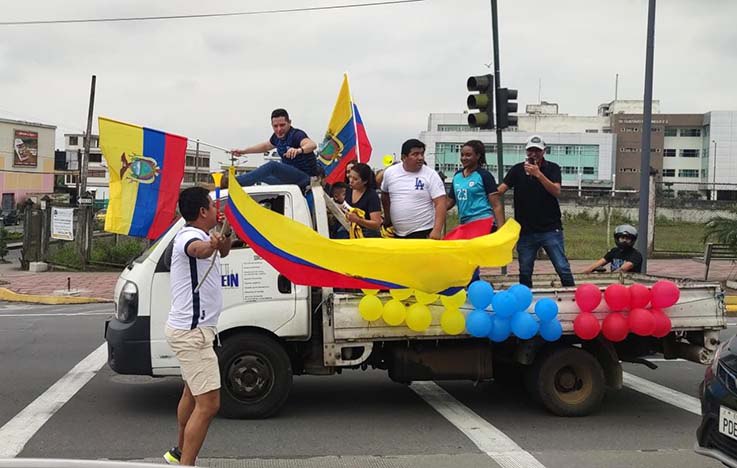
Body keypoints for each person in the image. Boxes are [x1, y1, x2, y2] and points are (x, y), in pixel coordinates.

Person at [163, 187, 232, 466]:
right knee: (209, 404)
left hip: (193, 331)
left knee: (191, 394)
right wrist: (211, 244)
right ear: (202, 212)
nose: (217, 210)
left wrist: (224, 234)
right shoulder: (190, 238)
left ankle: (179, 452)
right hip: (192, 334)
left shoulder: (205, 234)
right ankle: (186, 463)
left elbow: (223, 251)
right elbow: (199, 251)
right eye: (213, 207)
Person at [496, 135, 575, 288]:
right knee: (525, 270)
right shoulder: (517, 169)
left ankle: (571, 294)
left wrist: (538, 174)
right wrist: (488, 194)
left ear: (544, 151)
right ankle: (526, 298)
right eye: (530, 151)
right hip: (525, 229)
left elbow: (557, 191)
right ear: (526, 152)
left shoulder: (553, 168)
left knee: (562, 267)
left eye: (537, 151)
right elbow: (501, 189)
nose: (533, 154)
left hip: (550, 228)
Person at [229, 108, 318, 192]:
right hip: (290, 180)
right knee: (260, 174)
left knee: (272, 166)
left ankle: (233, 183)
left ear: (289, 122)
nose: (279, 129)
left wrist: (299, 150)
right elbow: (265, 146)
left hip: (305, 178)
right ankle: (242, 193)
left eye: (282, 125)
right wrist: (243, 151)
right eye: (275, 126)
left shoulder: (296, 135)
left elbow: (312, 145)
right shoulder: (276, 137)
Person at [381, 139, 447, 239]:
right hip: (397, 233)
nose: (420, 158)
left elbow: (441, 203)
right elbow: (385, 194)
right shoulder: (390, 172)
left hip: (423, 231)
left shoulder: (431, 175)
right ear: (403, 157)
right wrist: (387, 218)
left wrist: (437, 230)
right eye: (415, 154)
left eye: (422, 154)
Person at [447, 140, 505, 230]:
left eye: (468, 155)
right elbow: (450, 202)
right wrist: (435, 208)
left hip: (483, 222)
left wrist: (502, 231)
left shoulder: (485, 176)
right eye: (462, 155)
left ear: (477, 156)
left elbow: (496, 205)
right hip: (464, 224)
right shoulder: (457, 176)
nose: (464, 158)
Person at [345, 162, 382, 238]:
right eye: (350, 177)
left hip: (367, 236)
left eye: (355, 179)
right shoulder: (347, 190)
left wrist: (358, 220)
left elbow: (376, 224)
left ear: (365, 181)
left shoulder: (372, 195)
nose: (351, 181)